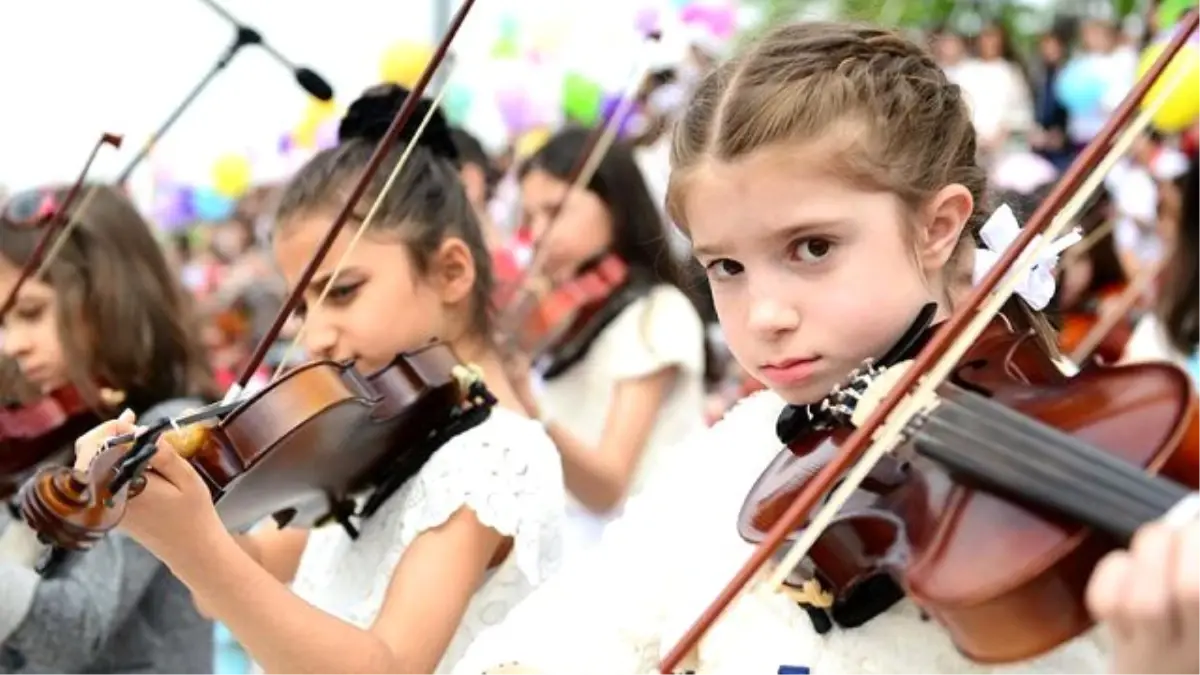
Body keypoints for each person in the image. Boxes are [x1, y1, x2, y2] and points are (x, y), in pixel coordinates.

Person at [453, 22, 1200, 675]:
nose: (766, 315)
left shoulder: (1072, 481)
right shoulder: (742, 457)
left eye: (812, 247)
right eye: (726, 267)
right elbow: (567, 632)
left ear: (939, 226)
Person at [71, 85, 566, 675]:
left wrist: (195, 545)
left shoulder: (491, 457)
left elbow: (388, 666)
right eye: (302, 306)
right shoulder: (381, 458)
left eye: (344, 292)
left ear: (452, 271)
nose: (316, 336)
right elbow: (234, 577)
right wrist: (167, 504)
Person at [0, 184, 214, 673]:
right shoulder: (57, 429)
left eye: (30, 313)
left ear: (109, 295)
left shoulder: (168, 436)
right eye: (4, 323)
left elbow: (75, 630)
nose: (14, 345)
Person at [508, 126, 711, 559]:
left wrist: (531, 408)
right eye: (530, 218)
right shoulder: (571, 308)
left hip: (641, 553)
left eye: (556, 211)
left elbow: (607, 488)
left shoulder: (657, 313)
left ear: (615, 205)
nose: (539, 233)